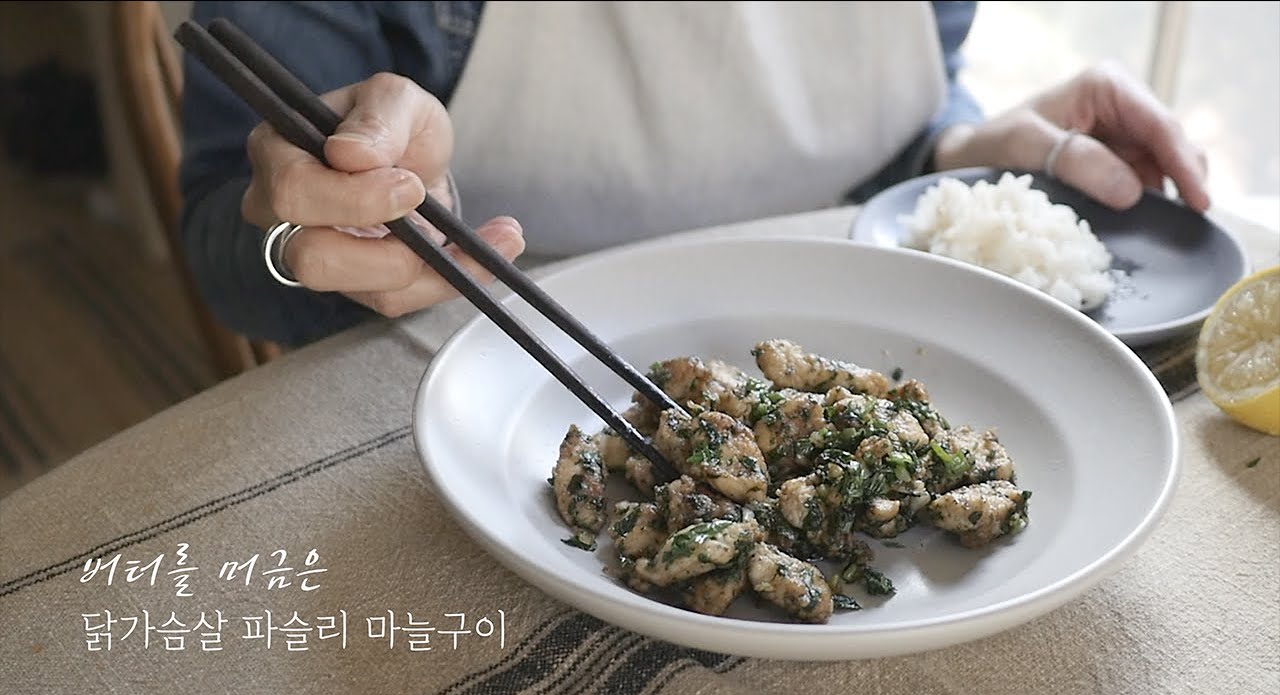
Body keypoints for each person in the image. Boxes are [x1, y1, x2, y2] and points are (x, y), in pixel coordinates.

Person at [179, 1, 1210, 348]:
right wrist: (325, 231)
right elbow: (224, 234)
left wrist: (953, 154)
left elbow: (896, 89)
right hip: (474, 364)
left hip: (867, 333)